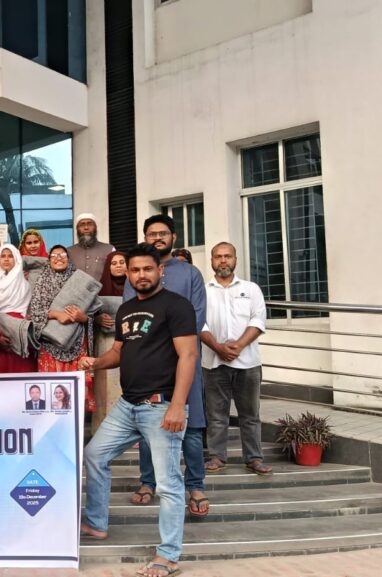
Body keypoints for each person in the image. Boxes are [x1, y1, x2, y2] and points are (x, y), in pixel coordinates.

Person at [78, 242, 198, 577]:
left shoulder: (177, 306)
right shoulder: (126, 309)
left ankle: (168, 555)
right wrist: (96, 362)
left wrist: (178, 405)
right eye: (135, 270)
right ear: (128, 274)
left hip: (160, 406)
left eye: (147, 268)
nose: (141, 275)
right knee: (94, 454)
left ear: (160, 270)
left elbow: (189, 355)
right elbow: (118, 352)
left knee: (168, 483)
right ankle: (97, 523)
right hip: (127, 405)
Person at [124, 214, 209, 516]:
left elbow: (197, 317)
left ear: (174, 237)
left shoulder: (190, 273)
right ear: (145, 237)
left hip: (186, 359)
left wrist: (170, 343)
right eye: (152, 234)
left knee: (193, 425)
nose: (157, 238)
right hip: (150, 364)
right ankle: (148, 482)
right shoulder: (136, 274)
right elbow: (131, 317)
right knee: (150, 425)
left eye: (163, 233)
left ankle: (195, 485)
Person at [200, 242, 272, 476]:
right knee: (216, 415)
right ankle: (217, 457)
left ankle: (254, 458)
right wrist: (218, 348)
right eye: (218, 256)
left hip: (248, 363)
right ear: (212, 260)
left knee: (250, 415)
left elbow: (258, 320)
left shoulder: (251, 289)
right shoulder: (203, 291)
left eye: (228, 256)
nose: (223, 260)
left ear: (235, 259)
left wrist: (237, 346)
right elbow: (199, 323)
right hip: (213, 362)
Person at [28, 246, 94, 406]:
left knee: (76, 395)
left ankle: (77, 420)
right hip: (49, 345)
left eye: (63, 254)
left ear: (68, 259)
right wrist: (56, 314)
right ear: (49, 260)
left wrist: (83, 318)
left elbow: (94, 313)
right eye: (54, 255)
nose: (59, 258)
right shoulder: (42, 282)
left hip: (76, 343)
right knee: (52, 392)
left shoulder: (79, 281)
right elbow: (34, 313)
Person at [0, 244, 35, 373]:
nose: (6, 259)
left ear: (17, 259)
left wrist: (15, 331)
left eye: (10, 256)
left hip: (18, 332)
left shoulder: (25, 284)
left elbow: (28, 311)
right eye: (3, 256)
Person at [92, 250, 127, 433]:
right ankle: (104, 430)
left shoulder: (137, 288)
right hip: (105, 343)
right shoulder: (99, 290)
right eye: (114, 263)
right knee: (104, 387)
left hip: (129, 344)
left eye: (122, 262)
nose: (118, 266)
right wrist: (97, 319)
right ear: (108, 267)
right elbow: (87, 315)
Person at [67, 213, 116, 277]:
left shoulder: (109, 249)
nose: (86, 228)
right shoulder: (68, 252)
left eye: (90, 224)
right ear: (77, 229)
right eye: (82, 225)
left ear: (95, 228)